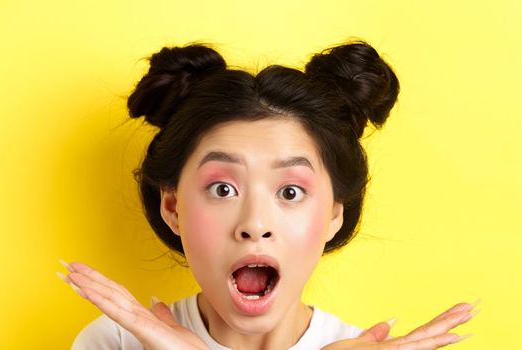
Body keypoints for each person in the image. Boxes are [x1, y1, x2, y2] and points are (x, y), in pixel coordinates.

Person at [57, 40, 479, 349]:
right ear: (173, 207)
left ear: (335, 213)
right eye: (223, 189)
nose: (254, 224)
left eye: (291, 191)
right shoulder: (115, 343)